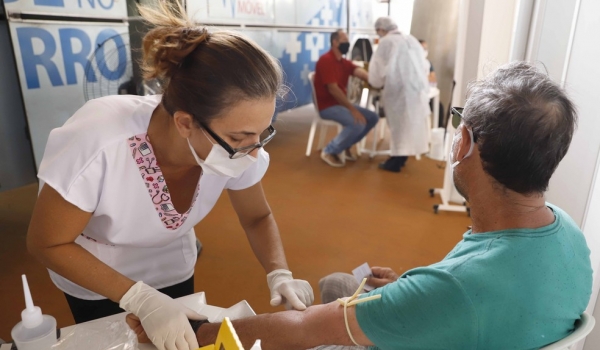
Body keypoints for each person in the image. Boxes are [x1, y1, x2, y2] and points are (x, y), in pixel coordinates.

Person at [128, 61, 592, 349]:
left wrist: (198, 335)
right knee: (335, 282)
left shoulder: (453, 292)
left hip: (435, 320)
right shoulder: (570, 235)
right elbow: (473, 287)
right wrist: (413, 286)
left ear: (463, 142)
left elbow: (304, 328)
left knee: (311, 314)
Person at [26, 2, 313, 350]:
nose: (253, 153)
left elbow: (257, 216)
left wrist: (278, 271)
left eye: (262, 134)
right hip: (96, 272)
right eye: (239, 138)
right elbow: (48, 242)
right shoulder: (100, 142)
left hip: (172, 265)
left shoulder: (235, 148)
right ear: (185, 123)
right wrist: (138, 298)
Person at [369, 17, 430, 173]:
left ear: (382, 30)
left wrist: (374, 82)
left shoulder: (387, 42)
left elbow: (377, 70)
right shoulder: (411, 40)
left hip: (397, 91)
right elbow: (425, 66)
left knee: (398, 126)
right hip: (416, 90)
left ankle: (396, 160)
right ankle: (401, 157)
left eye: (378, 31)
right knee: (409, 125)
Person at [314, 29, 379, 167]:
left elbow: (358, 71)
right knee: (358, 122)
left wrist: (374, 79)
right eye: (345, 41)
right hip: (327, 106)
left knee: (372, 117)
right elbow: (334, 90)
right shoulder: (326, 60)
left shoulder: (342, 61)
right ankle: (329, 150)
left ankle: (345, 145)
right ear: (334, 42)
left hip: (340, 104)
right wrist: (352, 109)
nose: (348, 44)